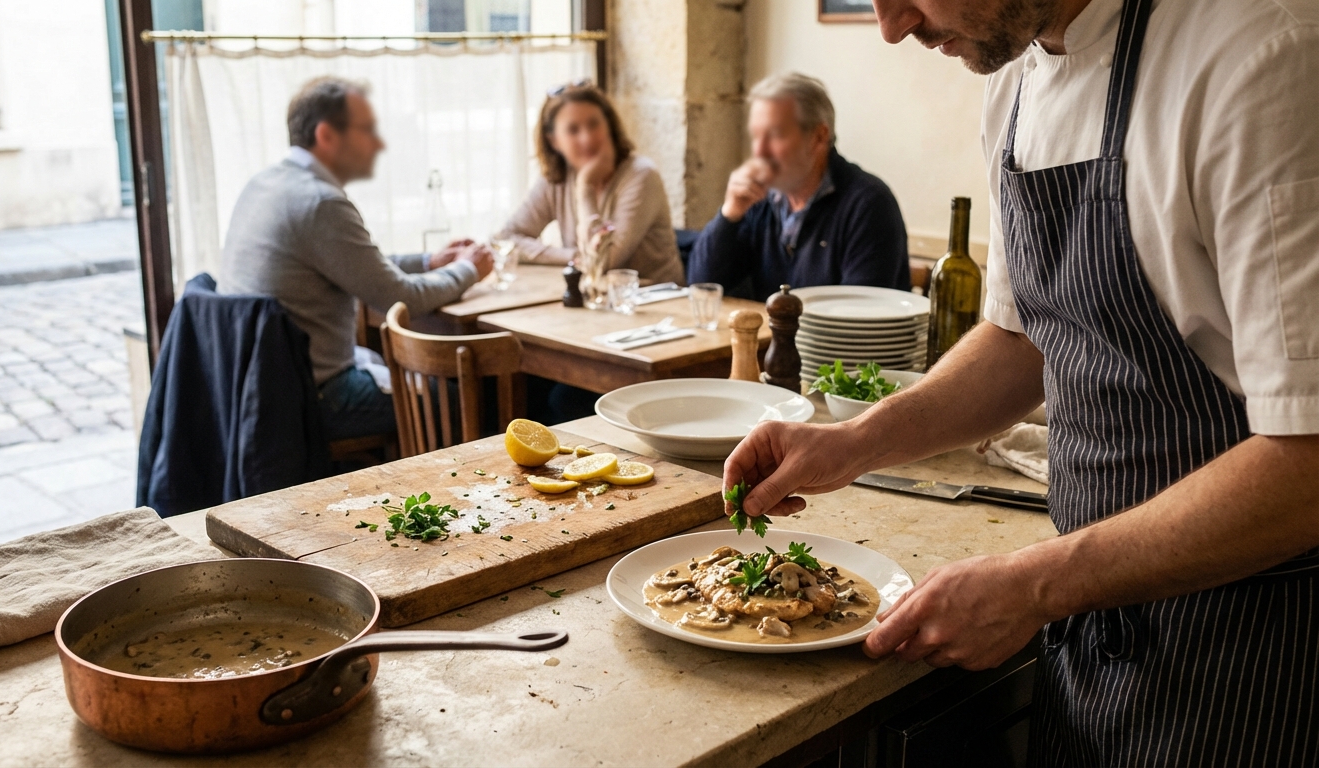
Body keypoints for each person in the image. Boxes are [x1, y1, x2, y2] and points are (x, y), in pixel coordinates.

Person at [727, 0, 1319, 763]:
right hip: (1095, 635)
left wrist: (1037, 585)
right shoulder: (1013, 78)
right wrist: (853, 441)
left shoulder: (1263, 55)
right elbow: (1024, 336)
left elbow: (1308, 458)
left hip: (1253, 650)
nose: (892, 25)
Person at [219, 77, 493, 441]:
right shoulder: (320, 203)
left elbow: (357, 265)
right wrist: (469, 269)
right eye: (366, 130)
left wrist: (430, 261)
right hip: (312, 395)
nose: (378, 143)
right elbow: (403, 297)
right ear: (327, 136)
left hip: (256, 388)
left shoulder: (266, 183)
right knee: (466, 397)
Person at [688, 73, 909, 301]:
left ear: (818, 137)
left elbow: (859, 318)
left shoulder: (869, 204)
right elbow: (701, 287)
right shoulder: (760, 200)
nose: (760, 152)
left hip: (831, 337)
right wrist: (730, 214)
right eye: (756, 136)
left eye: (774, 135)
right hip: (775, 336)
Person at [496, 81, 683, 286]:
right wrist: (572, 256)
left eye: (594, 124)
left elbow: (602, 262)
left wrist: (585, 187)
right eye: (573, 130)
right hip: (593, 303)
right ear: (554, 141)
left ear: (609, 126)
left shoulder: (641, 175)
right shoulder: (557, 177)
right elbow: (504, 240)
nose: (587, 138)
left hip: (655, 305)